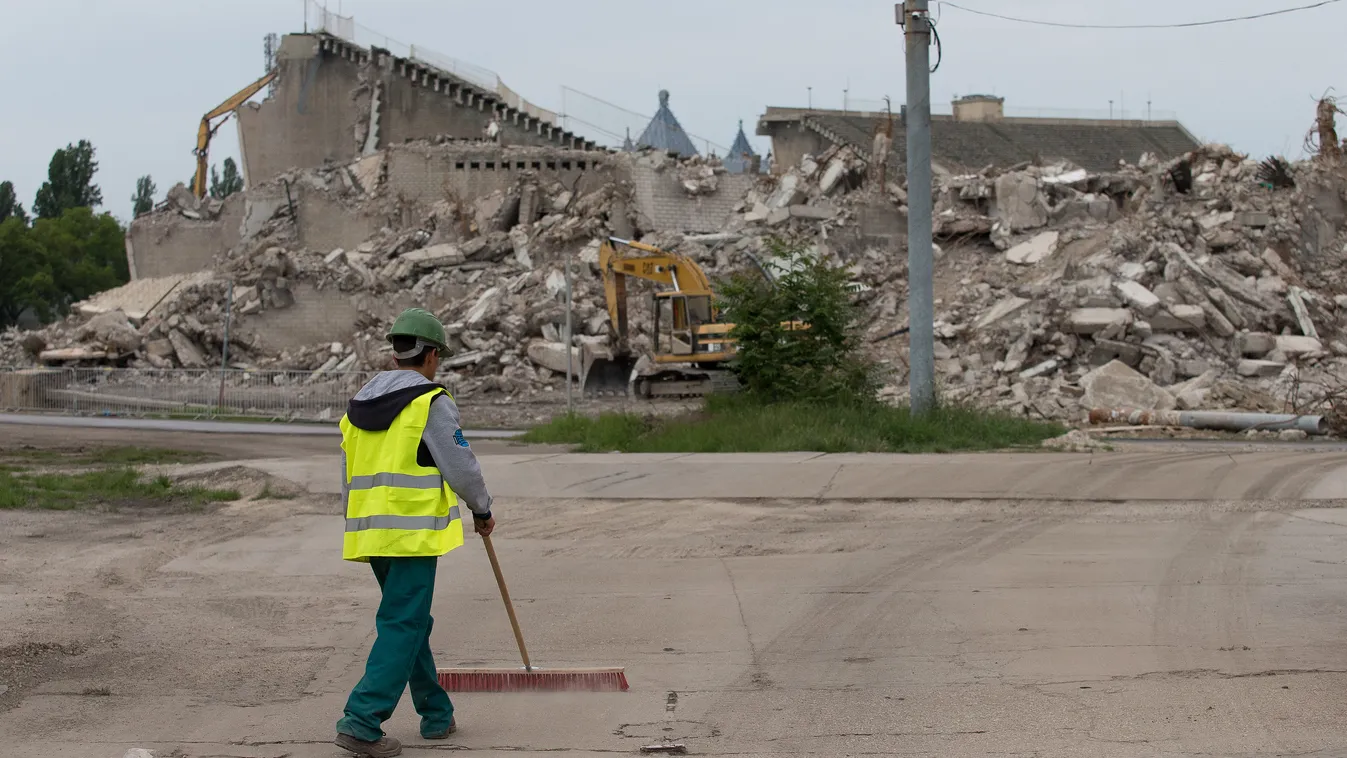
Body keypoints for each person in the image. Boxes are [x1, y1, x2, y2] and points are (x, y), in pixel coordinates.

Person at [334, 308, 495, 758]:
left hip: (371, 532)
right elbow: (460, 464)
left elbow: (347, 471)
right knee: (403, 622)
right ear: (431, 355)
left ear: (396, 354)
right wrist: (481, 508)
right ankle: (362, 719)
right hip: (411, 534)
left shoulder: (360, 402)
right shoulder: (429, 401)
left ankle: (435, 713)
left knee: (410, 620)